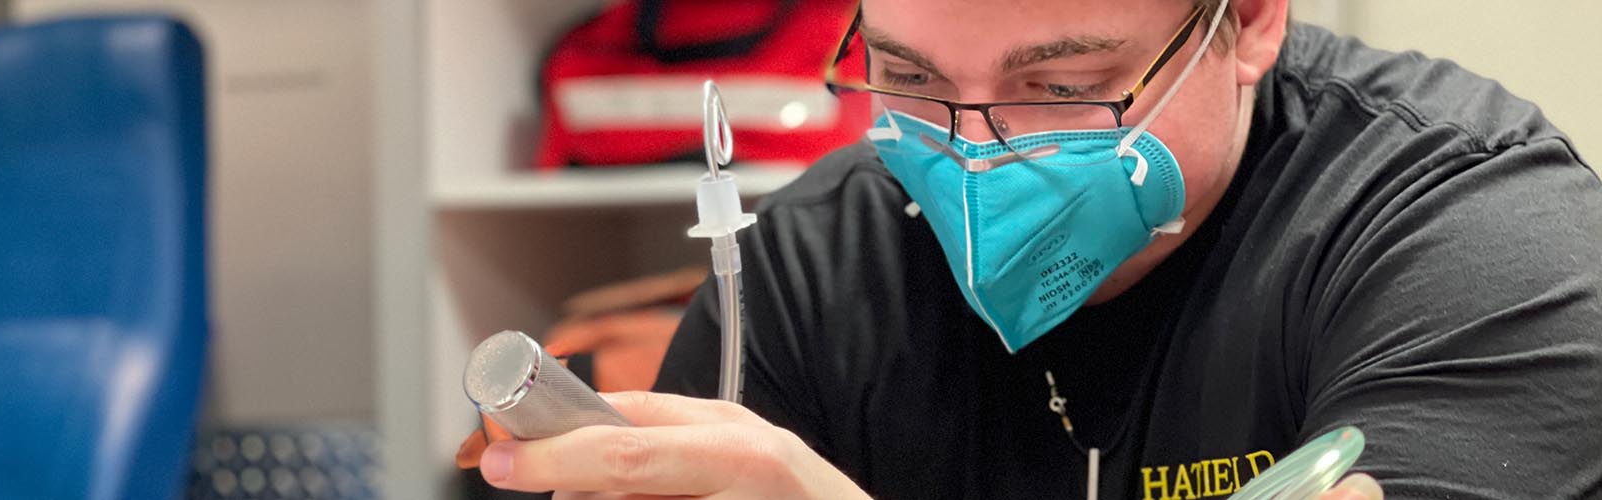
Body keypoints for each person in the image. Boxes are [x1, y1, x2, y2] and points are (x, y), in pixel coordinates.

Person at [466, 0, 1602, 497]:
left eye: (1061, 86)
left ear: (1247, 18)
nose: (975, 158)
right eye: (908, 79)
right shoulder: (806, 274)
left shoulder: (1471, 232)